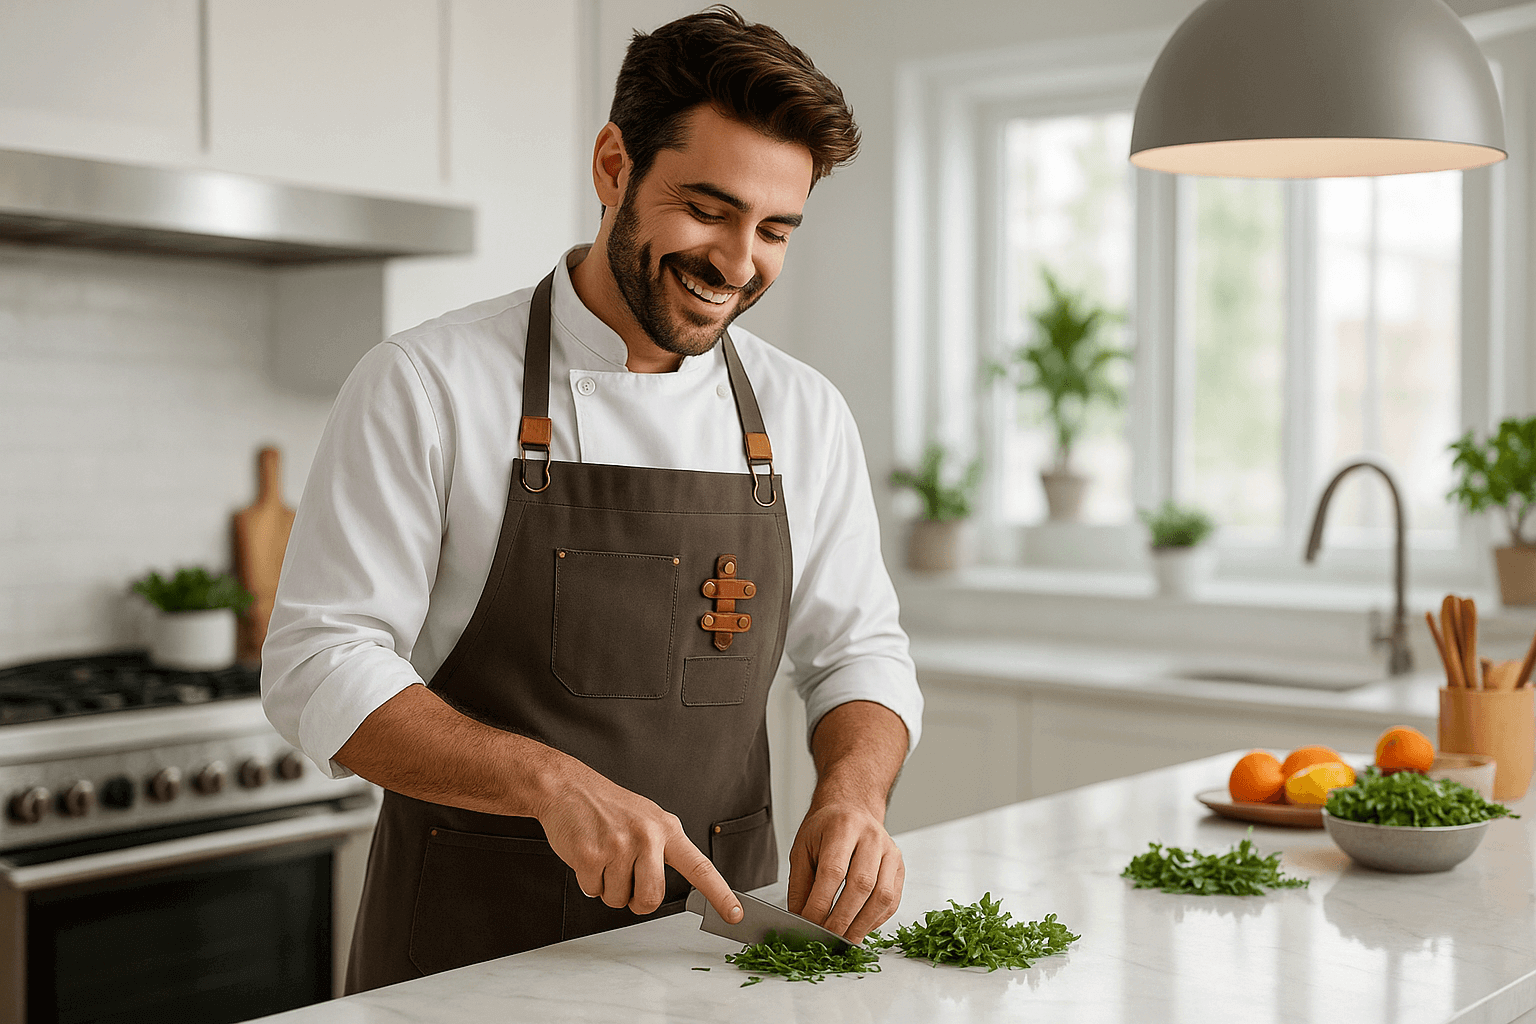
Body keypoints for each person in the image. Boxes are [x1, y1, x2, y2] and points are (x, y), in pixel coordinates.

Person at [261, 5, 922, 994]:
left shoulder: (804, 414)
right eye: (709, 209)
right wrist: (547, 781)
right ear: (614, 166)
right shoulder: (428, 385)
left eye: (774, 228)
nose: (739, 265)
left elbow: (857, 650)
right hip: (465, 963)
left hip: (721, 963)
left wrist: (854, 795)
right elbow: (318, 666)